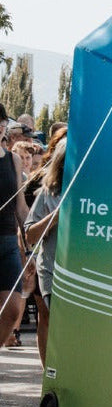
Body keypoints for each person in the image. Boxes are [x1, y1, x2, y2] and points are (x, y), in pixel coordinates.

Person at [23, 135, 66, 367]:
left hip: (85, 273)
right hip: (52, 272)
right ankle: (51, 373)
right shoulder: (48, 193)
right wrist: (54, 217)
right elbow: (29, 234)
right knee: (53, 321)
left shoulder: (96, 192)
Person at [0, 103, 28, 351]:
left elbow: (20, 206)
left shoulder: (14, 160)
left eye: (1, 123)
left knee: (12, 310)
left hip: (8, 241)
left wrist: (30, 248)